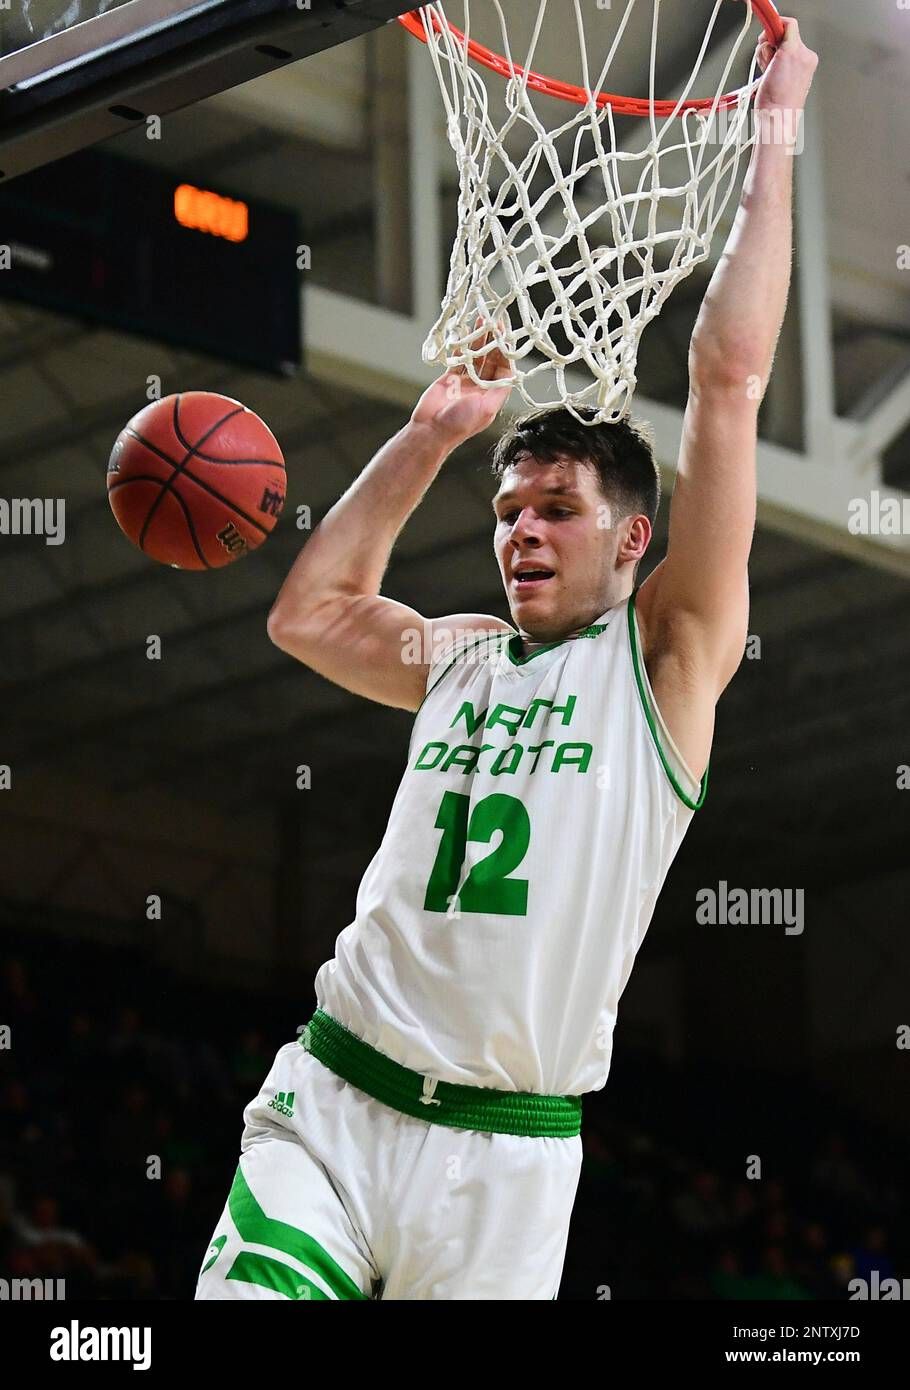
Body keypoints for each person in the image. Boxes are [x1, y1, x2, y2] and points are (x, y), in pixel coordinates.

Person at [196, 18, 818, 1301]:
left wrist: (778, 127)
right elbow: (307, 615)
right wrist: (433, 433)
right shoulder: (466, 655)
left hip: (503, 1163)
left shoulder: (666, 664)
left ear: (634, 538)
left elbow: (730, 373)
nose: (520, 531)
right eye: (506, 512)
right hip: (334, 1099)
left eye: (554, 510)